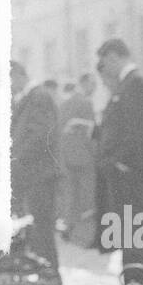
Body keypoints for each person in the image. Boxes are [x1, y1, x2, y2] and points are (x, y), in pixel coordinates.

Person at [94, 37, 143, 285]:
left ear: (114, 58)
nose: (105, 68)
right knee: (128, 233)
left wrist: (116, 161)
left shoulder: (135, 83)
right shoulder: (128, 84)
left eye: (105, 62)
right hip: (125, 173)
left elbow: (138, 131)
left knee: (133, 232)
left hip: (131, 174)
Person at [9, 60, 61, 271]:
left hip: (39, 174)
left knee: (42, 227)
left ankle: (49, 272)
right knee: (37, 227)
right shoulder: (28, 98)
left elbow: (40, 136)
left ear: (18, 75)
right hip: (33, 174)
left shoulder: (38, 97)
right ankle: (45, 271)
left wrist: (15, 157)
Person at [56, 72, 97, 246]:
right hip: (84, 156)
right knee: (87, 195)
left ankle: (69, 228)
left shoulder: (64, 103)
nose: (94, 88)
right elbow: (91, 133)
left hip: (66, 155)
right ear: (85, 83)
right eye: (93, 84)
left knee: (70, 194)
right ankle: (86, 234)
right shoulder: (86, 103)